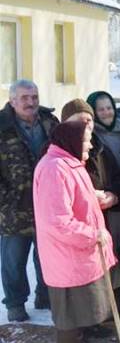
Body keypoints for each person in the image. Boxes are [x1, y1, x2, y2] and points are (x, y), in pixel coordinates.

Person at [32, 121, 116, 343]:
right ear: (71, 140)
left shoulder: (71, 163)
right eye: (86, 140)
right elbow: (57, 221)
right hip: (67, 256)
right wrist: (92, 234)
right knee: (70, 314)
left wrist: (94, 198)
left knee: (82, 311)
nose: (90, 144)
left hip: (78, 253)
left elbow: (72, 200)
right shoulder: (55, 168)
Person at [62, 98, 120, 315]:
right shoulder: (60, 150)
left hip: (105, 213)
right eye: (79, 120)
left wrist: (113, 195)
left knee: (111, 256)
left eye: (89, 120)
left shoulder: (98, 146)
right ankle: (92, 314)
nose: (86, 125)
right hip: (79, 221)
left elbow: (118, 177)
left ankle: (114, 297)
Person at [0, 79, 57, 322]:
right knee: (14, 259)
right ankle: (15, 304)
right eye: (24, 98)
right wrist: (4, 201)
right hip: (14, 208)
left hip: (47, 204)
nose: (31, 102)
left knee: (47, 255)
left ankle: (45, 295)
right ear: (13, 100)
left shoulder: (49, 121)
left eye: (34, 97)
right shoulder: (2, 125)